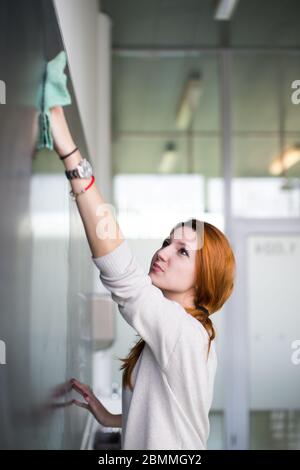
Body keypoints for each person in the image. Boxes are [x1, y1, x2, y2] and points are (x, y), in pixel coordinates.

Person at [50, 106, 236, 450]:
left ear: (205, 278)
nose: (162, 252)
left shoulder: (186, 335)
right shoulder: (179, 333)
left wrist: (71, 157)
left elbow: (121, 273)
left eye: (182, 251)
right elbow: (167, 415)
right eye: (167, 241)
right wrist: (111, 418)